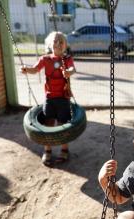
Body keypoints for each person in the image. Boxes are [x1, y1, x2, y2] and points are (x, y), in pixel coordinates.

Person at [21, 31, 76, 166]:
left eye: (61, 41)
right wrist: (27, 69)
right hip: (49, 98)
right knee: (48, 124)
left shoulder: (67, 58)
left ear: (65, 45)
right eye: (55, 41)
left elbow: (72, 68)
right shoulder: (45, 59)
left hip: (63, 98)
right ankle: (48, 150)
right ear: (50, 44)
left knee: (63, 125)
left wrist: (68, 72)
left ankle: (64, 150)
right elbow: (35, 69)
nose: (57, 44)